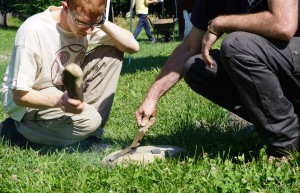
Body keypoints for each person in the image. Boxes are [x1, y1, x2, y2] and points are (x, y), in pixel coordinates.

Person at [135, 0, 300, 157]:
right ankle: (279, 124)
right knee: (196, 68)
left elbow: (283, 25)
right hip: (278, 66)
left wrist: (220, 23)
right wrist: (152, 98)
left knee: (235, 45)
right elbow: (189, 48)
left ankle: (287, 145)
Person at [0, 0, 139, 147]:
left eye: (94, 24)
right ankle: (15, 130)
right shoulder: (34, 30)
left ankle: (91, 137)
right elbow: (20, 95)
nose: (89, 31)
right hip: (30, 97)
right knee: (91, 120)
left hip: (62, 87)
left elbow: (132, 46)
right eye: (83, 23)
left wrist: (101, 21)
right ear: (66, 7)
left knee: (112, 51)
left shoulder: (85, 22)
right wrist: (59, 100)